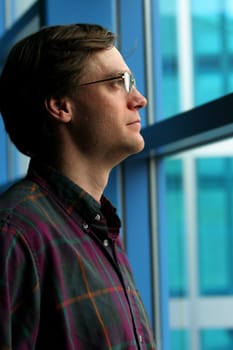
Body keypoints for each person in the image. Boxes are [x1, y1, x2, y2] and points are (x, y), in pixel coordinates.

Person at [0, 23, 156, 349]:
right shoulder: (14, 234)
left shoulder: (99, 230)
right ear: (61, 106)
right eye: (118, 83)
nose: (139, 99)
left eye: (133, 83)